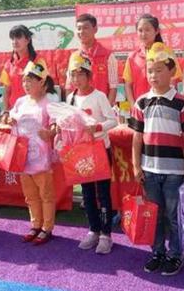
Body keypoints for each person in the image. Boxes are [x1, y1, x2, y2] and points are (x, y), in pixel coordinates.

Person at [129, 42, 184, 276]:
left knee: (173, 216)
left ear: (172, 71)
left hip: (174, 171)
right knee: (154, 215)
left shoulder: (182, 102)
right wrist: (136, 166)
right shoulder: (141, 102)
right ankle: (157, 252)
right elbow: (137, 137)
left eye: (159, 70)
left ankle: (176, 254)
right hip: (149, 170)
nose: (153, 75)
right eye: (150, 71)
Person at [66, 53, 118, 254]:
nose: (76, 79)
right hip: (81, 152)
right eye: (73, 75)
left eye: (81, 74)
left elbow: (113, 120)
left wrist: (97, 127)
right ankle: (93, 230)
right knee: (87, 194)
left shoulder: (99, 96)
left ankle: (106, 234)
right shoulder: (71, 98)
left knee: (103, 194)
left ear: (89, 76)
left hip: (100, 150)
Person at [7, 62, 56, 245]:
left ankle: (47, 228)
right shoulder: (20, 101)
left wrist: (50, 132)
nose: (26, 84)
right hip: (23, 156)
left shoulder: (49, 102)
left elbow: (56, 124)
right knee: (30, 195)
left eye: (30, 81)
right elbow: (10, 116)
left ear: (42, 82)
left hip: (42, 158)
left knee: (46, 194)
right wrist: (8, 119)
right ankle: (35, 225)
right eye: (24, 81)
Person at [123, 14, 182, 105]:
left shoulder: (167, 53)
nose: (143, 34)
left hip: (163, 105)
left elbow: (173, 80)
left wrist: (166, 103)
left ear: (156, 31)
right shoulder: (132, 57)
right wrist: (133, 105)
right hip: (140, 107)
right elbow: (128, 84)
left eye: (147, 30)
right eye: (140, 30)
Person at [66, 14, 119, 105]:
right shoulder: (74, 57)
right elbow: (69, 86)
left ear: (95, 29)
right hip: (79, 108)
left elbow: (113, 87)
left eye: (85, 28)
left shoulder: (108, 56)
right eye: (79, 28)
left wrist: (107, 109)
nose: (81, 31)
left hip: (100, 108)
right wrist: (71, 109)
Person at [0, 25, 48, 114]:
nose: (15, 42)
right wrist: (6, 111)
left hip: (34, 111)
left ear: (28, 40)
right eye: (12, 38)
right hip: (14, 111)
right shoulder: (9, 64)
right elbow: (7, 91)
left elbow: (44, 87)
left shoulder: (37, 62)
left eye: (18, 37)